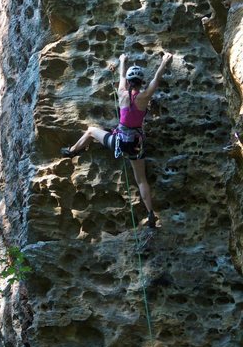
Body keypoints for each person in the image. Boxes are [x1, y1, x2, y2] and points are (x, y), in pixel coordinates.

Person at [60, 52, 173, 228]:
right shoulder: (144, 97)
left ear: (128, 82)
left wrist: (122, 61)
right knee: (141, 180)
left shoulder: (121, 93)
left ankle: (72, 151)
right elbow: (156, 80)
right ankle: (151, 213)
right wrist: (164, 62)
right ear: (141, 82)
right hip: (136, 146)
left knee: (91, 131)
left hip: (118, 143)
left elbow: (121, 76)